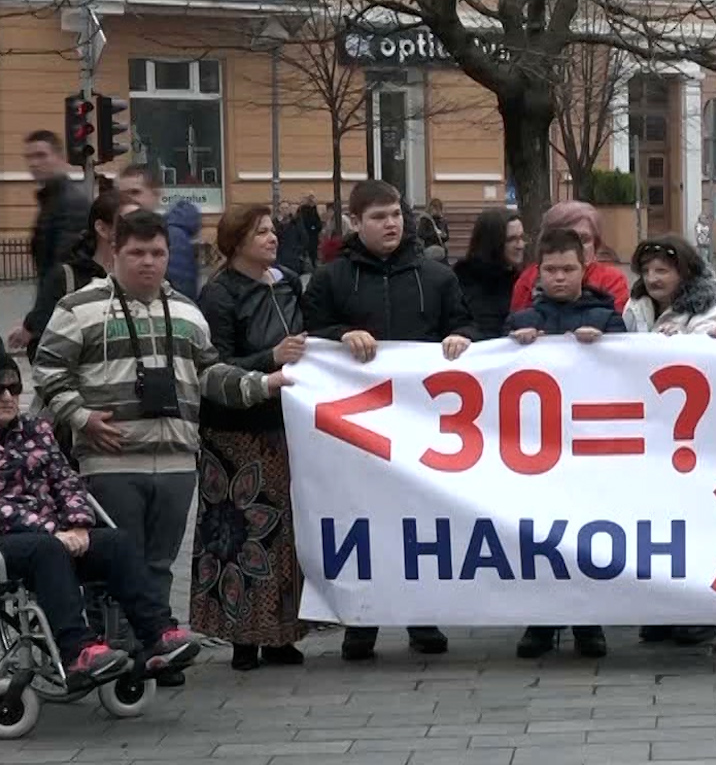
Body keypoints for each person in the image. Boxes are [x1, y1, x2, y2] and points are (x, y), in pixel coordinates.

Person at [33, 209, 291, 686]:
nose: (148, 262)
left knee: (158, 564)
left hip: (176, 458)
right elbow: (49, 370)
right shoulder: (78, 307)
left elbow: (210, 374)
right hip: (110, 458)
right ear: (115, 253)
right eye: (137, 253)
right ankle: (117, 654)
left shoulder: (188, 312)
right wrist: (81, 417)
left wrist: (261, 384)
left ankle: (157, 650)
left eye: (157, 253)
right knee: (115, 563)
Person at [304, 179, 475, 661]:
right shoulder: (330, 279)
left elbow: (465, 323)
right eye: (379, 217)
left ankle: (422, 616)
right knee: (363, 520)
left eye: (396, 214)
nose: (391, 224)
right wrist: (341, 335)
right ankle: (362, 621)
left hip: (422, 424)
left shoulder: (436, 276)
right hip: (357, 427)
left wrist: (461, 337)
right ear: (355, 223)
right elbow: (309, 336)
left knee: (419, 520)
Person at [0, 353, 201, 687]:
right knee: (47, 549)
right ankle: (78, 651)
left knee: (117, 542)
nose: (8, 396)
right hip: (14, 542)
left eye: (14, 386)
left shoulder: (36, 430)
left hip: (57, 538)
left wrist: (79, 523)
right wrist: (52, 532)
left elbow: (66, 481)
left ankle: (158, 635)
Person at [190, 205, 310, 671]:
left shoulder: (288, 283)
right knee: (239, 535)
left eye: (272, 230)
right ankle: (243, 638)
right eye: (261, 232)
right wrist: (270, 358)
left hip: (285, 421)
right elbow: (215, 366)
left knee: (284, 533)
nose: (272, 238)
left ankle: (281, 634)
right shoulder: (219, 295)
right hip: (235, 430)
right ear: (236, 241)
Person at [506, 228, 625, 661]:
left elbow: (630, 371)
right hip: (538, 447)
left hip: (590, 445)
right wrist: (513, 348)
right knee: (541, 535)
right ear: (538, 271)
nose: (559, 278)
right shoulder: (521, 320)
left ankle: (588, 622)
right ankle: (541, 621)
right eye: (551, 270)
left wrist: (609, 346)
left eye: (568, 269)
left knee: (586, 535)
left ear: (584, 269)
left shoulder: (607, 318)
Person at [627, 233, 716, 647]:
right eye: (647, 270)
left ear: (683, 273)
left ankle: (695, 613)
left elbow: (708, 354)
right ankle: (658, 610)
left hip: (692, 439)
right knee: (653, 525)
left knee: (691, 523)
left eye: (663, 270)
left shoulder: (711, 313)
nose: (653, 278)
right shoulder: (634, 309)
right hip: (648, 435)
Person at [9, 131, 90, 353]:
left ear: (60, 157)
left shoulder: (68, 202)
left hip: (66, 319)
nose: (34, 163)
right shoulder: (52, 200)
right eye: (29, 157)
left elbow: (60, 271)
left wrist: (32, 325)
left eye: (41, 155)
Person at [22, 191, 129, 361]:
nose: (138, 231)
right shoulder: (65, 278)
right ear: (102, 228)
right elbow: (41, 347)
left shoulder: (141, 279)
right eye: (127, 224)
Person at [510, 201, 630, 314]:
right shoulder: (529, 278)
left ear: (595, 243)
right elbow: (518, 321)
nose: (577, 247)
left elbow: (616, 322)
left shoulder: (611, 280)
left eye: (584, 239)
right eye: (568, 239)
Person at [117, 165, 205, 300]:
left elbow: (180, 293)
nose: (127, 199)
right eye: (121, 195)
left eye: (135, 192)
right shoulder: (120, 231)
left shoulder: (172, 237)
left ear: (156, 194)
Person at [625, 234, 716, 336]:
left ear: (685, 273)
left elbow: (702, 345)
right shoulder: (636, 306)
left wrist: (680, 337)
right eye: (645, 271)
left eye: (661, 271)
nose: (651, 279)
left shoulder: (710, 313)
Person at [455, 208, 525, 340]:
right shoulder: (461, 284)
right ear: (492, 242)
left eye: (522, 238)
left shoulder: (521, 282)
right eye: (511, 239)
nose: (520, 245)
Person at [296, 193, 325, 267]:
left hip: (312, 237)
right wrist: (313, 228)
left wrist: (315, 228)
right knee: (309, 254)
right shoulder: (304, 210)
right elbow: (308, 222)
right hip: (308, 236)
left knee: (312, 255)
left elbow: (318, 223)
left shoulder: (313, 209)